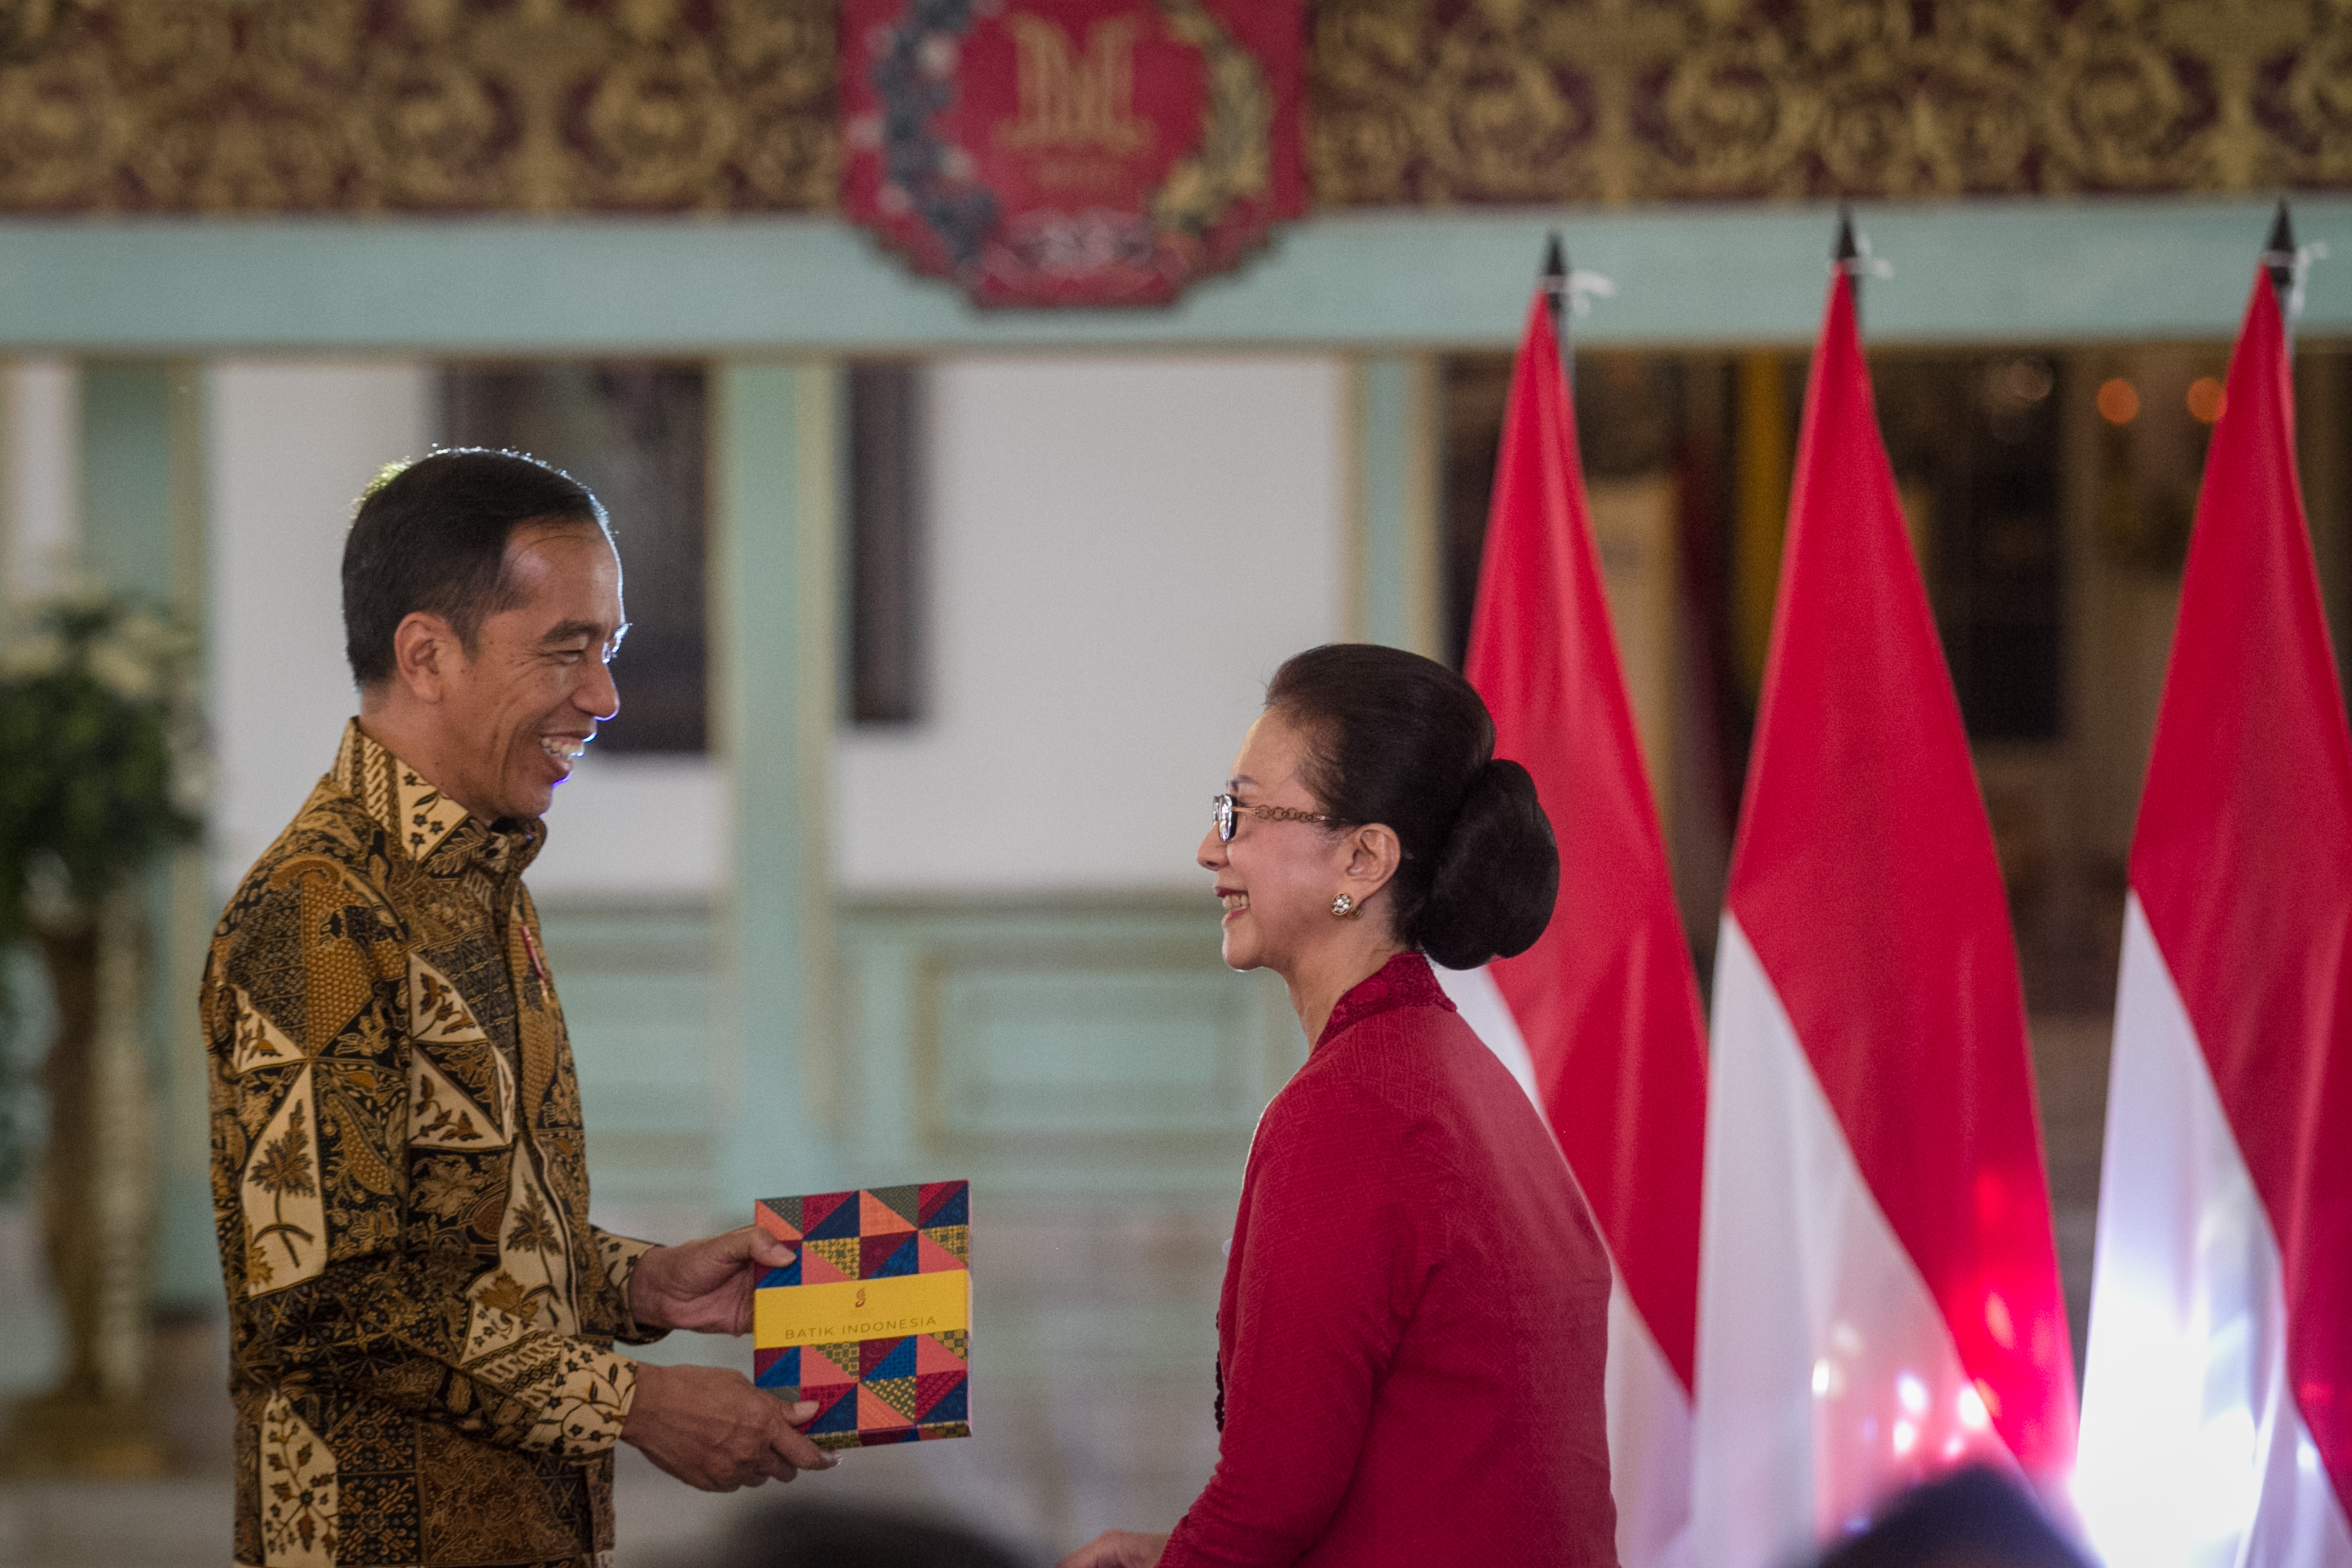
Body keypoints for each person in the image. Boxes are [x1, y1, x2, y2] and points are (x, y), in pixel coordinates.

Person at [199, 450, 833, 1568]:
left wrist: (639, 1283)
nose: (604, 696)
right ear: (428, 653)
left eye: (611, 649)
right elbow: (320, 1305)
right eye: (566, 651)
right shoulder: (318, 916)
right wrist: (630, 1404)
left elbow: (455, 1243)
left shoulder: (482, 881)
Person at [1060, 643, 1618, 1568]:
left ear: (1363, 858)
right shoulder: (1460, 1076)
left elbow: (1267, 1508)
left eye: (1240, 812)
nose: (1210, 848)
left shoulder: (1353, 1112)